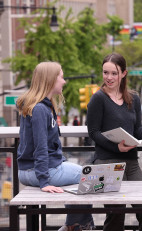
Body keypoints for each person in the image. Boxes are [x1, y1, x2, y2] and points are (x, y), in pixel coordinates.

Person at [16, 62, 94, 231]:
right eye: (61, 76)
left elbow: (48, 145)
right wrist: (44, 181)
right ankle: (76, 226)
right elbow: (40, 146)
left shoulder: (42, 107)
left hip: (32, 170)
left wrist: (61, 162)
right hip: (38, 172)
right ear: (50, 80)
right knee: (87, 177)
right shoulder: (39, 110)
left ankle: (75, 224)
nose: (64, 81)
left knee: (79, 175)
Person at [86, 53, 142, 231]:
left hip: (131, 163)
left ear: (123, 73)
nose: (109, 78)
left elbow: (136, 130)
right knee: (116, 214)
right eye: (105, 73)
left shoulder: (133, 98)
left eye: (114, 73)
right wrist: (115, 146)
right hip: (107, 162)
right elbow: (93, 132)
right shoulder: (98, 99)